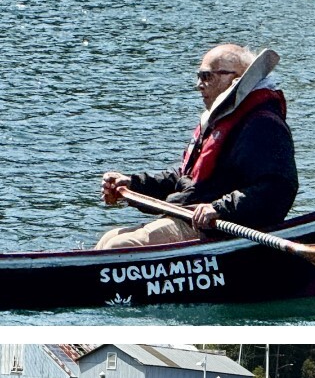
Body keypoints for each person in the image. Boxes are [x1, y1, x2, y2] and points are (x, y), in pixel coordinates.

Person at [96, 43, 298, 249]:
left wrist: (219, 209)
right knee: (108, 239)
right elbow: (187, 179)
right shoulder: (220, 121)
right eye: (199, 76)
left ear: (235, 79)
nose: (199, 85)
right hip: (191, 217)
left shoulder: (263, 124)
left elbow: (277, 188)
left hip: (220, 229)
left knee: (121, 245)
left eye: (207, 76)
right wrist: (133, 184)